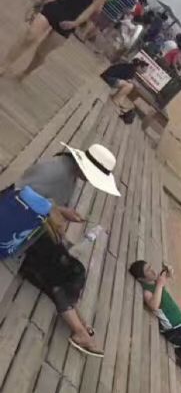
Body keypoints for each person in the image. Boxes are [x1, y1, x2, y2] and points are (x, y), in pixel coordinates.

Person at [11, 142, 121, 356]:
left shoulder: (69, 172)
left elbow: (43, 200)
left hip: (34, 230)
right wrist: (52, 211)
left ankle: (80, 323)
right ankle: (80, 330)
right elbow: (19, 193)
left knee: (69, 269)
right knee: (66, 271)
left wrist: (62, 212)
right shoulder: (56, 171)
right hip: (19, 231)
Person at [1, 0, 111, 80]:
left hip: (69, 21)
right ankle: (4, 65)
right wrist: (41, 0)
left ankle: (26, 72)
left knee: (41, 53)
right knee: (30, 35)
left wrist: (75, 23)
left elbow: (88, 12)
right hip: (55, 8)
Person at [99, 56, 147, 121]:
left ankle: (119, 101)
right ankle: (115, 99)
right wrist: (136, 85)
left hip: (109, 76)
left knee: (129, 85)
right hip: (109, 77)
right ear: (139, 67)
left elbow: (130, 79)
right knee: (129, 86)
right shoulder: (132, 69)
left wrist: (135, 83)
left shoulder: (131, 68)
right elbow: (129, 80)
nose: (144, 72)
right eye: (143, 70)